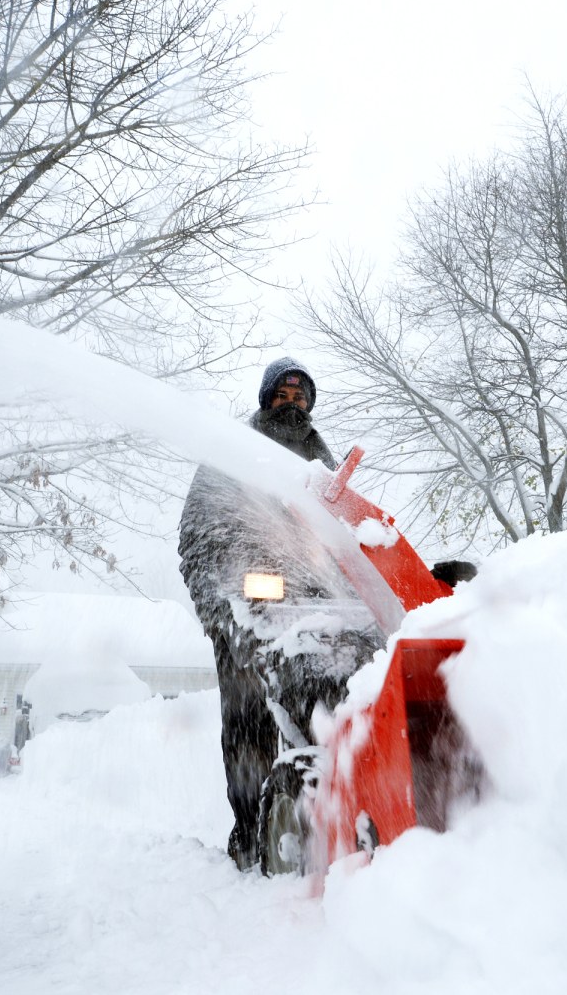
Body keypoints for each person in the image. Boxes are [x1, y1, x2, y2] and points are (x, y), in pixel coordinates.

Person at [177, 357, 370, 870]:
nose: (292, 402)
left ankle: (340, 804)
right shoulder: (233, 454)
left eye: (300, 395)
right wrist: (221, 610)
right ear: (266, 400)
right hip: (246, 611)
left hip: (316, 611)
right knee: (250, 722)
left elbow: (346, 539)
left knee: (336, 707)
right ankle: (249, 836)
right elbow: (195, 539)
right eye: (282, 395)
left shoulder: (319, 462)